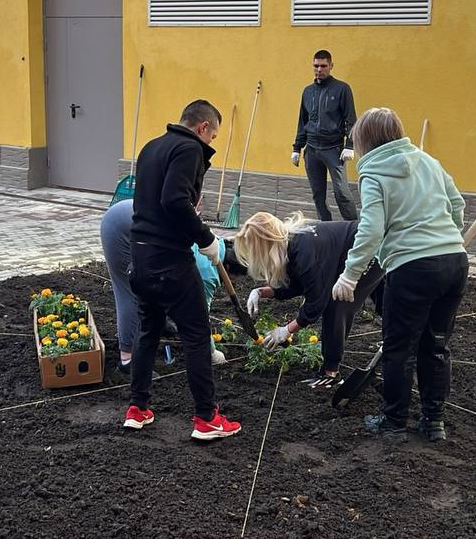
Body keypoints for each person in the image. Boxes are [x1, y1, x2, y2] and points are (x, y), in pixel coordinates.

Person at [332, 107, 467, 443]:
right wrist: (447, 237)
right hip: (454, 263)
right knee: (436, 346)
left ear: (365, 141)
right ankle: (433, 422)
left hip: (413, 269)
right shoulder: (428, 161)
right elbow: (458, 204)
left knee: (399, 348)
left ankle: (393, 423)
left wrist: (350, 275)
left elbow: (371, 229)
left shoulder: (373, 173)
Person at [125, 99, 241, 441]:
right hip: (170, 259)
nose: (211, 143)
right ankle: (207, 419)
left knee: (149, 330)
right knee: (195, 334)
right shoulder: (189, 149)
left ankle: (138, 408)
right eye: (213, 136)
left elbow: (155, 200)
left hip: (140, 256)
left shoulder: (151, 147)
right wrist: (205, 239)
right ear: (202, 127)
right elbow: (174, 201)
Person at [235, 211, 382, 387]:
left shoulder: (305, 253)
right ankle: (396, 338)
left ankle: (331, 373)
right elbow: (297, 285)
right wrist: (261, 292)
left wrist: (286, 330)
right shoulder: (291, 243)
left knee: (336, 305)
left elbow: (316, 303)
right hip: (361, 246)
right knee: (385, 299)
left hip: (368, 248)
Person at [100, 199, 228, 376]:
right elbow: (200, 313)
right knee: (130, 292)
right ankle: (126, 361)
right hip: (120, 227)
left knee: (157, 281)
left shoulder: (209, 244)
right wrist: (211, 353)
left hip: (137, 220)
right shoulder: (206, 267)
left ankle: (161, 323)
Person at [291, 50, 358, 222]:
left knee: (341, 192)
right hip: (312, 150)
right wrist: (297, 148)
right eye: (316, 66)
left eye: (323, 66)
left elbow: (351, 119)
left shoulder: (342, 89)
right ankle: (326, 228)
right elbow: (302, 121)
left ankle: (354, 229)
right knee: (317, 195)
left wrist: (350, 145)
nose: (319, 69)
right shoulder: (308, 92)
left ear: (331, 66)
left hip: (334, 149)